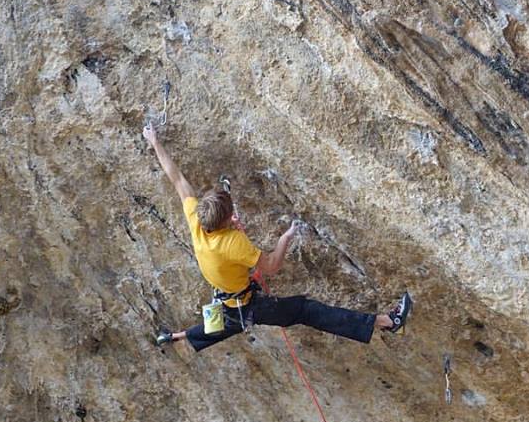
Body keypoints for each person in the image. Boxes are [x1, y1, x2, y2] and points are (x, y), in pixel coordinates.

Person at [142, 123, 412, 352]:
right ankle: (389, 322)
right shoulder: (232, 243)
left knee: (224, 324)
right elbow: (271, 266)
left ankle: (175, 337)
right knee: (306, 311)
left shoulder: (196, 221)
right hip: (246, 304)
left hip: (227, 300)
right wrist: (287, 236)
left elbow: (177, 180)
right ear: (226, 221)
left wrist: (155, 142)